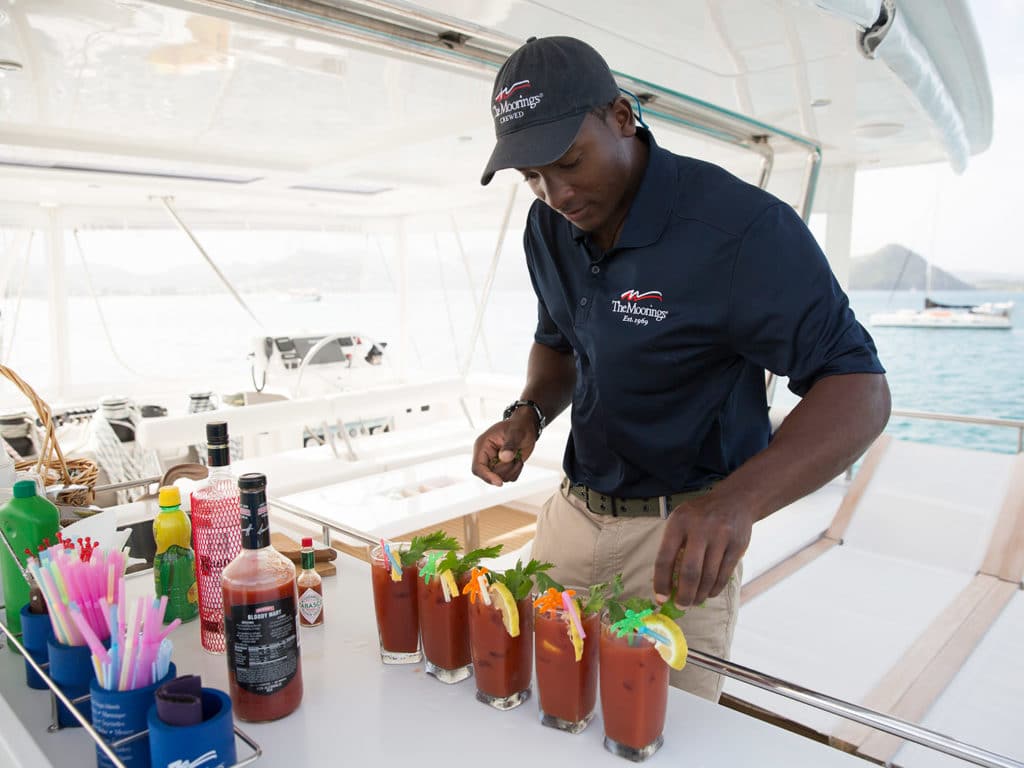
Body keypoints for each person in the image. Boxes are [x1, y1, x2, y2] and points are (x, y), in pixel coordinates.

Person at [471, 36, 891, 701]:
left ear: (620, 117)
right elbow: (559, 344)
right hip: (568, 521)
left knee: (658, 741)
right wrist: (527, 413)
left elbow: (860, 389)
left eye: (569, 161)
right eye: (532, 177)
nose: (556, 193)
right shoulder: (546, 229)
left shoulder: (743, 231)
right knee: (540, 717)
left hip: (679, 545)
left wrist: (737, 503)